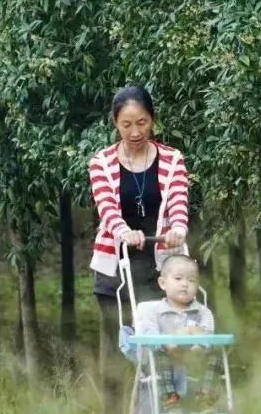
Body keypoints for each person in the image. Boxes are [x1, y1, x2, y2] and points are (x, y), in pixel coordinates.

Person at [90, 85, 189, 410]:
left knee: (163, 348)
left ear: (153, 120)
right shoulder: (101, 163)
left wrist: (177, 229)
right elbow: (107, 208)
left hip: (160, 267)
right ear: (115, 124)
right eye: (127, 125)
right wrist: (123, 231)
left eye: (143, 123)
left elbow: (177, 200)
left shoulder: (172, 160)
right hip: (116, 268)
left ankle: (160, 406)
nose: (135, 132)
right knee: (118, 350)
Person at [135, 254, 216, 409]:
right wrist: (170, 344)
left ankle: (205, 398)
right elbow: (151, 336)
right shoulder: (153, 311)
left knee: (216, 354)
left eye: (191, 280)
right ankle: (171, 400)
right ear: (163, 283)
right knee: (157, 353)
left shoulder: (203, 312)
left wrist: (197, 348)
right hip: (165, 357)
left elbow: (207, 337)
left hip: (193, 358)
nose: (185, 284)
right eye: (178, 279)